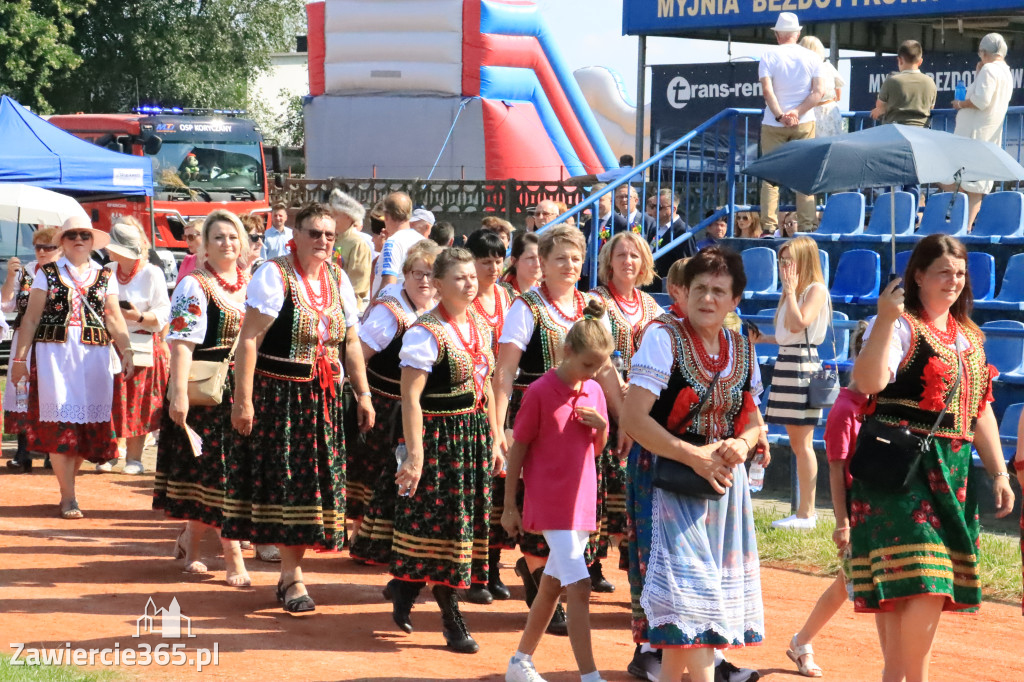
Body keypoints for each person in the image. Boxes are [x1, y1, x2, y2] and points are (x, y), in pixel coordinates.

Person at [850, 234, 1013, 682]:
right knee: (921, 581)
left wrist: (998, 472)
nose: (953, 281)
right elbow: (867, 383)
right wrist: (885, 320)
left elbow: (980, 410)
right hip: (901, 471)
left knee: (918, 586)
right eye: (943, 271)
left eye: (960, 273)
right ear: (918, 276)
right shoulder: (901, 326)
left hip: (953, 471)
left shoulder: (971, 338)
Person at [623, 246, 764, 682]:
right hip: (666, 478)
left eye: (719, 290)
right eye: (699, 288)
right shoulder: (662, 336)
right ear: (682, 293)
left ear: (735, 299)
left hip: (720, 488)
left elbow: (755, 421)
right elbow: (632, 419)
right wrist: (694, 456)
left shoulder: (741, 346)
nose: (708, 298)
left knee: (691, 624)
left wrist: (743, 442)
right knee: (691, 610)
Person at [227, 202, 375, 613]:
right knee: (289, 485)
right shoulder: (274, 274)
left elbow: (349, 343)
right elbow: (250, 340)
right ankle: (291, 578)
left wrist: (362, 395)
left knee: (312, 487)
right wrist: (243, 401)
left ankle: (291, 575)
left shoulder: (337, 278)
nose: (323, 241)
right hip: (279, 398)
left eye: (329, 234)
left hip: (323, 399)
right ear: (296, 234)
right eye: (314, 233)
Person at [494, 225, 623, 635]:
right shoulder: (526, 307)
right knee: (541, 503)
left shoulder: (591, 306)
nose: (570, 266)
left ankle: (545, 582)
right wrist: (500, 427)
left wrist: (624, 421)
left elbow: (605, 369)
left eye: (576, 259)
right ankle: (540, 589)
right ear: (542, 265)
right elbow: (504, 370)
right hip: (537, 415)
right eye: (560, 259)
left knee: (574, 510)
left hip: (582, 424)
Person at [387, 247, 504, 654]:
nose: (470, 283)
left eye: (472, 276)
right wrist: (415, 455)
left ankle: (406, 587)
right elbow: (411, 398)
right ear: (438, 285)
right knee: (442, 528)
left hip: (471, 440)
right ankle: (452, 618)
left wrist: (494, 435)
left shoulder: (479, 325)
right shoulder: (424, 332)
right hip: (439, 441)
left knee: (460, 527)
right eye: (460, 278)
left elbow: (485, 383)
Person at [502, 299, 613, 682]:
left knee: (551, 585)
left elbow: (596, 448)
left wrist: (602, 425)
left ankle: (520, 663)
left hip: (582, 502)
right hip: (550, 504)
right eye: (587, 364)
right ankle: (590, 676)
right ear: (567, 351)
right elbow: (518, 447)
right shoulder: (539, 391)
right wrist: (509, 506)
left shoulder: (595, 392)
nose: (593, 372)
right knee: (579, 587)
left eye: (599, 366)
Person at [11, 216, 136, 519]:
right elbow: (30, 319)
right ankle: (68, 495)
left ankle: (70, 489)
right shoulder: (48, 273)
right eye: (72, 236)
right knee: (59, 426)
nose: (79, 239)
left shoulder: (105, 275)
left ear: (93, 241)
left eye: (85, 235)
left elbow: (114, 317)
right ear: (63, 241)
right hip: (55, 355)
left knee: (84, 429)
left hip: (94, 357)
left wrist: (128, 348)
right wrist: (19, 360)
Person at [153, 209, 251, 585]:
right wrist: (178, 395)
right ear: (205, 247)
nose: (227, 243)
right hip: (207, 393)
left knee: (224, 476)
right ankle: (233, 557)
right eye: (219, 238)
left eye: (233, 236)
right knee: (217, 474)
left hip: (243, 389)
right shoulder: (194, 284)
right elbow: (180, 344)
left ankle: (192, 545)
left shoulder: (252, 282)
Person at [785, 322, 881, 678]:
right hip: (858, 512)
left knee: (845, 584)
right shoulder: (845, 408)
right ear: (858, 358)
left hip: (878, 508)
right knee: (858, 586)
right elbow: (837, 471)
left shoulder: (879, 403)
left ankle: (801, 641)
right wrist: (843, 523)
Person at [348, 240, 440, 566]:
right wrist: (364, 396)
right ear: (405, 275)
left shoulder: (436, 310)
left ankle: (391, 542)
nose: (424, 281)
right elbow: (357, 352)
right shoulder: (392, 312)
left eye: (431, 274)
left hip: (414, 408)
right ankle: (366, 540)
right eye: (418, 273)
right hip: (383, 404)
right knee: (375, 475)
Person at [589, 232, 663, 589]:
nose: (628, 261)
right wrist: (623, 411)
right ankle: (591, 563)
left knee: (629, 487)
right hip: (605, 401)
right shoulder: (596, 302)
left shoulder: (652, 306)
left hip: (641, 402)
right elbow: (599, 358)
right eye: (621, 255)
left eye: (635, 255)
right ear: (609, 261)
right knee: (601, 483)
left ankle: (631, 562)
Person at [763, 236, 829, 529]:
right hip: (787, 361)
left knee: (803, 444)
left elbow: (799, 323)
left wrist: (789, 292)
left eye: (789, 260)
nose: (784, 266)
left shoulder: (815, 289)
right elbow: (784, 334)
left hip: (803, 366)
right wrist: (761, 338)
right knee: (796, 442)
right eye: (781, 260)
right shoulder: (793, 292)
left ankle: (807, 513)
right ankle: (802, 511)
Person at [466, 229, 516, 604]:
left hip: (503, 396)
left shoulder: (508, 297)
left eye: (499, 260)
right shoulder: (464, 299)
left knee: (499, 488)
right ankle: (471, 571)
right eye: (486, 261)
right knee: (477, 488)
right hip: (472, 398)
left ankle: (493, 565)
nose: (494, 267)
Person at [102, 219, 171, 475]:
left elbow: (163, 312)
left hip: (143, 342)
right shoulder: (108, 270)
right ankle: (110, 452)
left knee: (138, 400)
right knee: (112, 400)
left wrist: (136, 317)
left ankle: (134, 458)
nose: (108, 251)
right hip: (113, 343)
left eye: (113, 247)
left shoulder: (152, 272)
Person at [759, 12, 824, 234]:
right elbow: (818, 92)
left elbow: (767, 91)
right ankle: (807, 227)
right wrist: (796, 113)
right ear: (798, 33)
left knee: (770, 177)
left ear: (778, 35)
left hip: (772, 124)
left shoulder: (768, 55)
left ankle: (768, 228)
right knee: (804, 176)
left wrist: (780, 116)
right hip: (804, 122)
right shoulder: (813, 58)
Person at [2, 227, 60, 472]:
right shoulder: (25, 273)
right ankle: (23, 452)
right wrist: (8, 277)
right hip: (24, 339)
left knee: (51, 391)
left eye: (50, 247)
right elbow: (6, 305)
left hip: (53, 341)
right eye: (38, 247)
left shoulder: (64, 275)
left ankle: (51, 452)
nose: (43, 252)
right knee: (22, 392)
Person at [944, 33, 1014, 229]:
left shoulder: (990, 69)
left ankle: (960, 224)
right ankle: (965, 226)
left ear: (983, 52)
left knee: (949, 176)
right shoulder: (1005, 71)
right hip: (987, 135)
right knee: (976, 186)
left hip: (974, 135)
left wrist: (959, 103)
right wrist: (978, 76)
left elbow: (981, 101)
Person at [869, 40, 937, 128]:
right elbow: (931, 108)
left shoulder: (891, 81)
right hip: (922, 132)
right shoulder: (930, 82)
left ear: (900, 60)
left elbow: (880, 107)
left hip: (895, 132)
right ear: (920, 61)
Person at [372, 192, 426, 298]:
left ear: (386, 216)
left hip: (394, 308)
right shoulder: (423, 241)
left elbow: (388, 285)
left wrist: (371, 308)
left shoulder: (393, 243)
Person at [329, 189, 372, 312]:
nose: (331, 218)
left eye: (335, 214)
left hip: (346, 308)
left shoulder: (357, 244)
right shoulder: (332, 239)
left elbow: (358, 284)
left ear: (348, 216)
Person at [800, 36, 845, 139]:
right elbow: (839, 91)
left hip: (812, 113)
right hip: (832, 111)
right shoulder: (828, 67)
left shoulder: (804, 70)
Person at [501, 232, 542, 297]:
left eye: (540, 258)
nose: (537, 264)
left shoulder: (547, 292)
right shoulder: (502, 294)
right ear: (514, 261)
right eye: (530, 258)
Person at [175, 218, 204, 284]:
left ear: (204, 236)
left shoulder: (216, 262)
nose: (187, 241)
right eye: (185, 237)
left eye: (191, 237)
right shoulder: (187, 260)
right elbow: (178, 288)